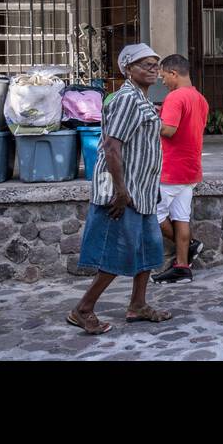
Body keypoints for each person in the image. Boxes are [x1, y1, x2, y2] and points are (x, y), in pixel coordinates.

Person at [68, 44, 172, 334]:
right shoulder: (126, 99)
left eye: (155, 64)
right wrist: (121, 190)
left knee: (148, 250)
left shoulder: (141, 100)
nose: (152, 68)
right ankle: (83, 309)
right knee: (116, 253)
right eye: (144, 64)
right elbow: (112, 148)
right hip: (122, 192)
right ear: (127, 69)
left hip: (143, 191)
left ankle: (138, 305)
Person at [152, 54, 209, 284]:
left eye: (163, 76)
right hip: (190, 169)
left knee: (152, 215)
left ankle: (187, 251)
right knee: (181, 217)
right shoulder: (200, 98)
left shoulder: (175, 97)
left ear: (173, 73)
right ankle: (182, 266)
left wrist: (148, 120)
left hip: (170, 169)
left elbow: (169, 130)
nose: (162, 81)